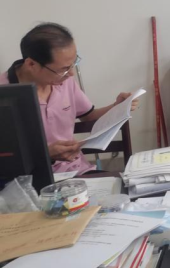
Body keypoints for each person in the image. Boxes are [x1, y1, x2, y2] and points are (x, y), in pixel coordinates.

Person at [0, 23, 140, 175]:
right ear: (31, 64)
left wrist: (117, 106)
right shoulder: (5, 92)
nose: (71, 74)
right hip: (27, 180)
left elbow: (89, 116)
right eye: (64, 69)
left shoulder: (64, 81)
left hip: (77, 171)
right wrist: (46, 153)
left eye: (73, 64)